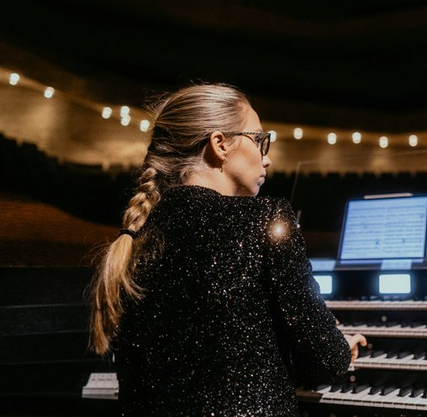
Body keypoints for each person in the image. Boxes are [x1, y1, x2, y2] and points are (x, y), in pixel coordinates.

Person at [89, 83, 366, 416]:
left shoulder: (136, 237)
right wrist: (337, 344)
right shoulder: (267, 219)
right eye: (260, 140)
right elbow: (326, 359)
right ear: (219, 144)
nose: (268, 157)